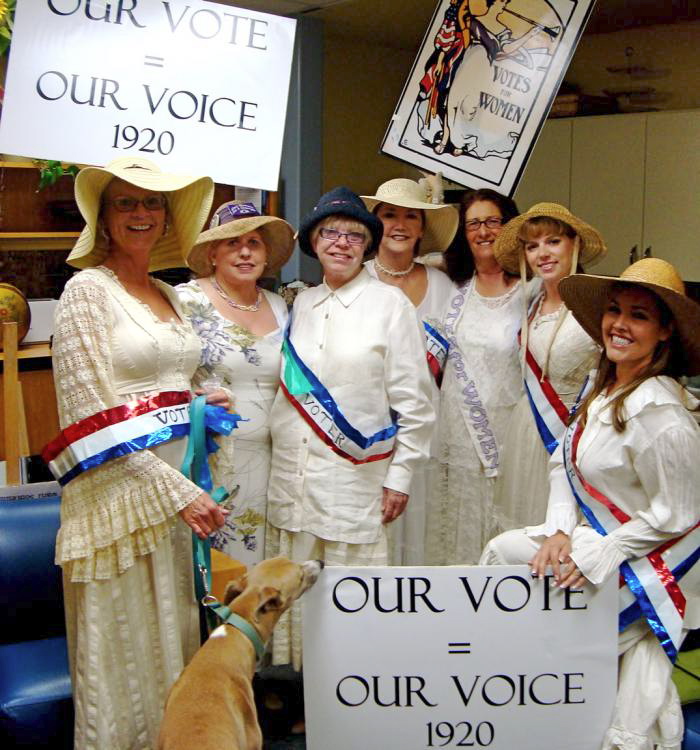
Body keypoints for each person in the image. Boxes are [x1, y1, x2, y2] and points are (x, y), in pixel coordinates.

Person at [481, 258, 700, 749]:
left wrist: (608, 550)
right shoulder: (605, 388)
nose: (620, 325)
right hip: (605, 542)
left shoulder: (663, 412)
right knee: (502, 554)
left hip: (660, 565)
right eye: (615, 311)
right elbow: (563, 461)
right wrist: (559, 531)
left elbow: (682, 513)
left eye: (639, 315)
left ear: (665, 330)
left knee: (563, 638)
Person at [47, 157, 228, 749]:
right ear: (103, 219)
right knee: (125, 653)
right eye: (127, 202)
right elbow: (86, 416)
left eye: (152, 202)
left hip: (177, 496)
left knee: (174, 642)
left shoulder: (169, 293)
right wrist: (176, 492)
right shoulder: (85, 292)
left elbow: (168, 384)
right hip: (117, 502)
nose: (143, 213)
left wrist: (201, 403)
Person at [266, 187, 434, 669]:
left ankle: (351, 704)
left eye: (354, 235)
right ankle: (302, 701)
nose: (341, 243)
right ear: (314, 242)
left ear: (368, 246)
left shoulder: (390, 306)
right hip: (293, 481)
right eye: (330, 233)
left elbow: (416, 406)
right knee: (296, 598)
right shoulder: (297, 306)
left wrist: (399, 479)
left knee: (349, 603)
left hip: (354, 485)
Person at [177, 201, 294, 568]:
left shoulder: (279, 304)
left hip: (276, 461)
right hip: (212, 460)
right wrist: (191, 398)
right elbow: (162, 374)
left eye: (254, 243)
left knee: (265, 569)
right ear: (212, 253)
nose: (245, 252)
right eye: (232, 243)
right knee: (219, 568)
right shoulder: (185, 300)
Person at [361, 177, 458, 564]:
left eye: (410, 216)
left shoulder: (443, 286)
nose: (399, 224)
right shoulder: (357, 280)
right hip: (368, 429)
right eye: (388, 215)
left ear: (422, 228)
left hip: (426, 430)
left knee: (420, 526)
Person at [425, 188, 525, 565]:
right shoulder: (451, 288)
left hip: (505, 437)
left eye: (493, 221)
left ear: (510, 226)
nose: (483, 231)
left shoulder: (528, 291)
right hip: (454, 438)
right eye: (473, 224)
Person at [492, 203, 606, 530]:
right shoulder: (531, 303)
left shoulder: (598, 304)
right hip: (528, 432)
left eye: (553, 241)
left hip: (579, 434)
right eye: (532, 245)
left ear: (574, 244)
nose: (543, 253)